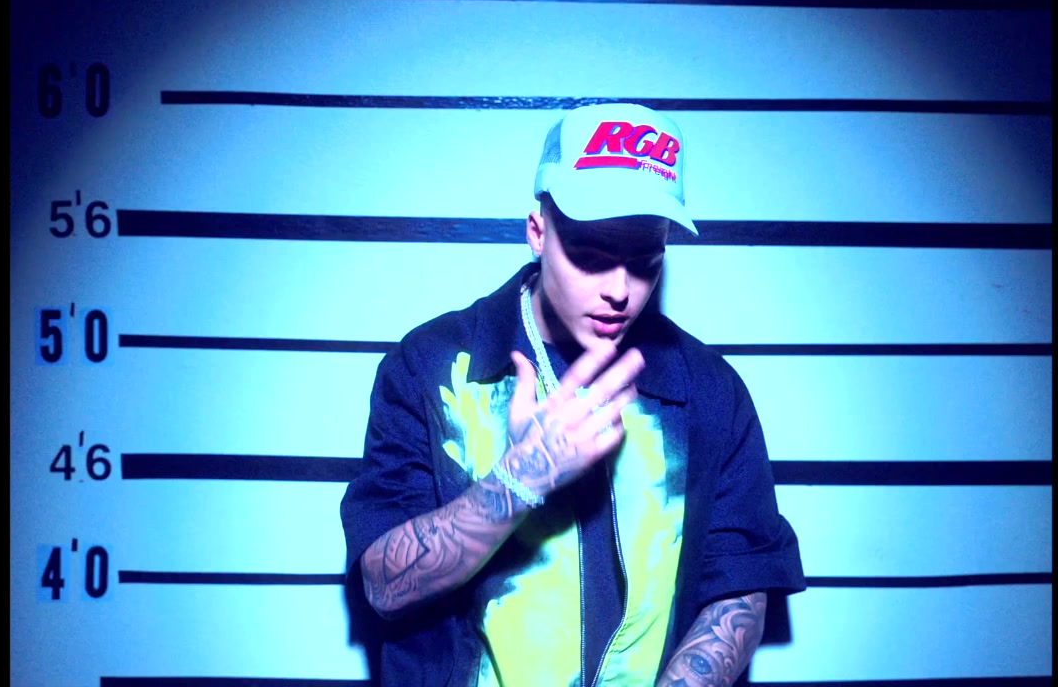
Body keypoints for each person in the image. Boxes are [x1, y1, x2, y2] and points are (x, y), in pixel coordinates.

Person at [340, 103, 805, 687]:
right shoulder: (434, 368)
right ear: (537, 233)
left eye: (645, 260)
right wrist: (521, 479)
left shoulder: (710, 390)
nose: (620, 290)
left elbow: (738, 591)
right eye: (590, 255)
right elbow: (384, 585)